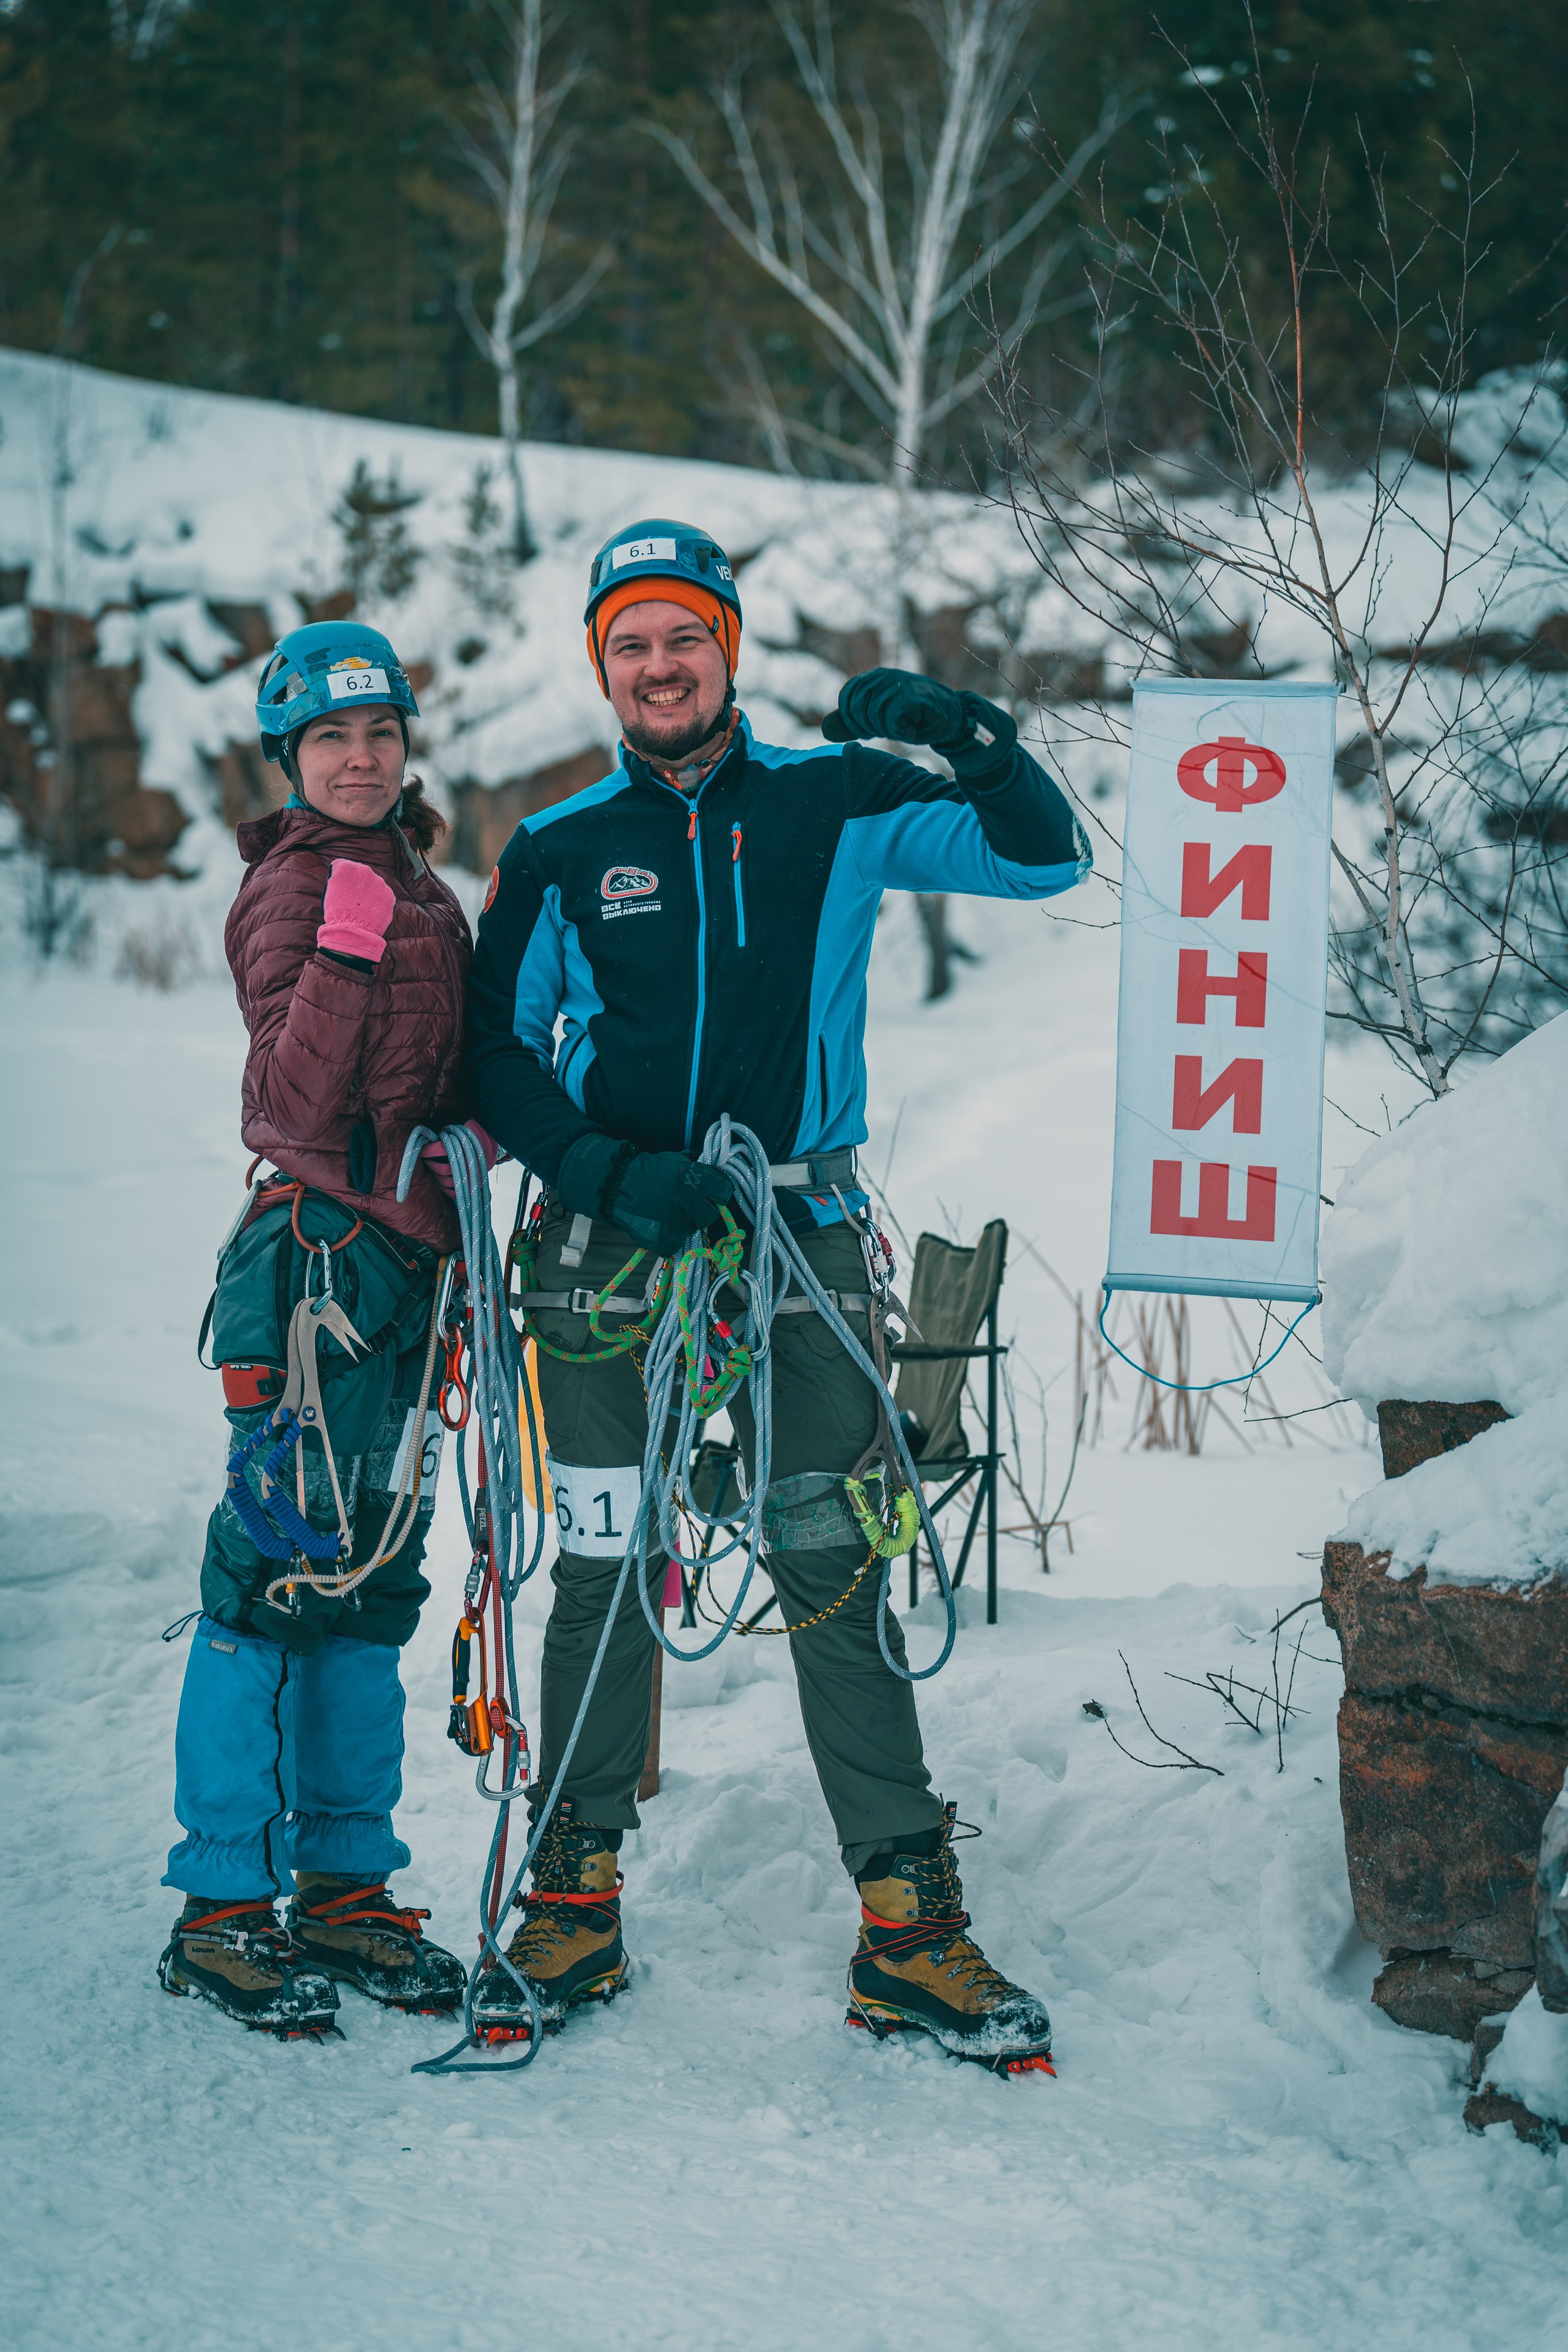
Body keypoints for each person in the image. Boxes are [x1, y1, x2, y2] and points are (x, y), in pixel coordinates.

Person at [463, 521, 1090, 2068]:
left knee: (828, 1558)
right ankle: (571, 1892)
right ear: (600, 666)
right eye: (630, 644)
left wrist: (973, 742)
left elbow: (1042, 856)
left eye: (684, 637)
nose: (659, 666)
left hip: (796, 1241)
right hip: (609, 1256)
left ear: (726, 651)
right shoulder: (556, 849)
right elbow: (488, 1054)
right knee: (603, 1561)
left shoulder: (840, 799)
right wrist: (609, 1173)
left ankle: (906, 1926)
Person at [158, 620, 487, 2038]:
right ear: (289, 757)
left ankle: (345, 1887)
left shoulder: (425, 886)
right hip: (308, 1275)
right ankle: (223, 1904)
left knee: (373, 1582)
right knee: (273, 1576)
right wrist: (351, 941)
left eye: (382, 733)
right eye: (331, 738)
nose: (361, 759)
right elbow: (293, 1110)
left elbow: (439, 1079)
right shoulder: (292, 889)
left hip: (405, 1277)